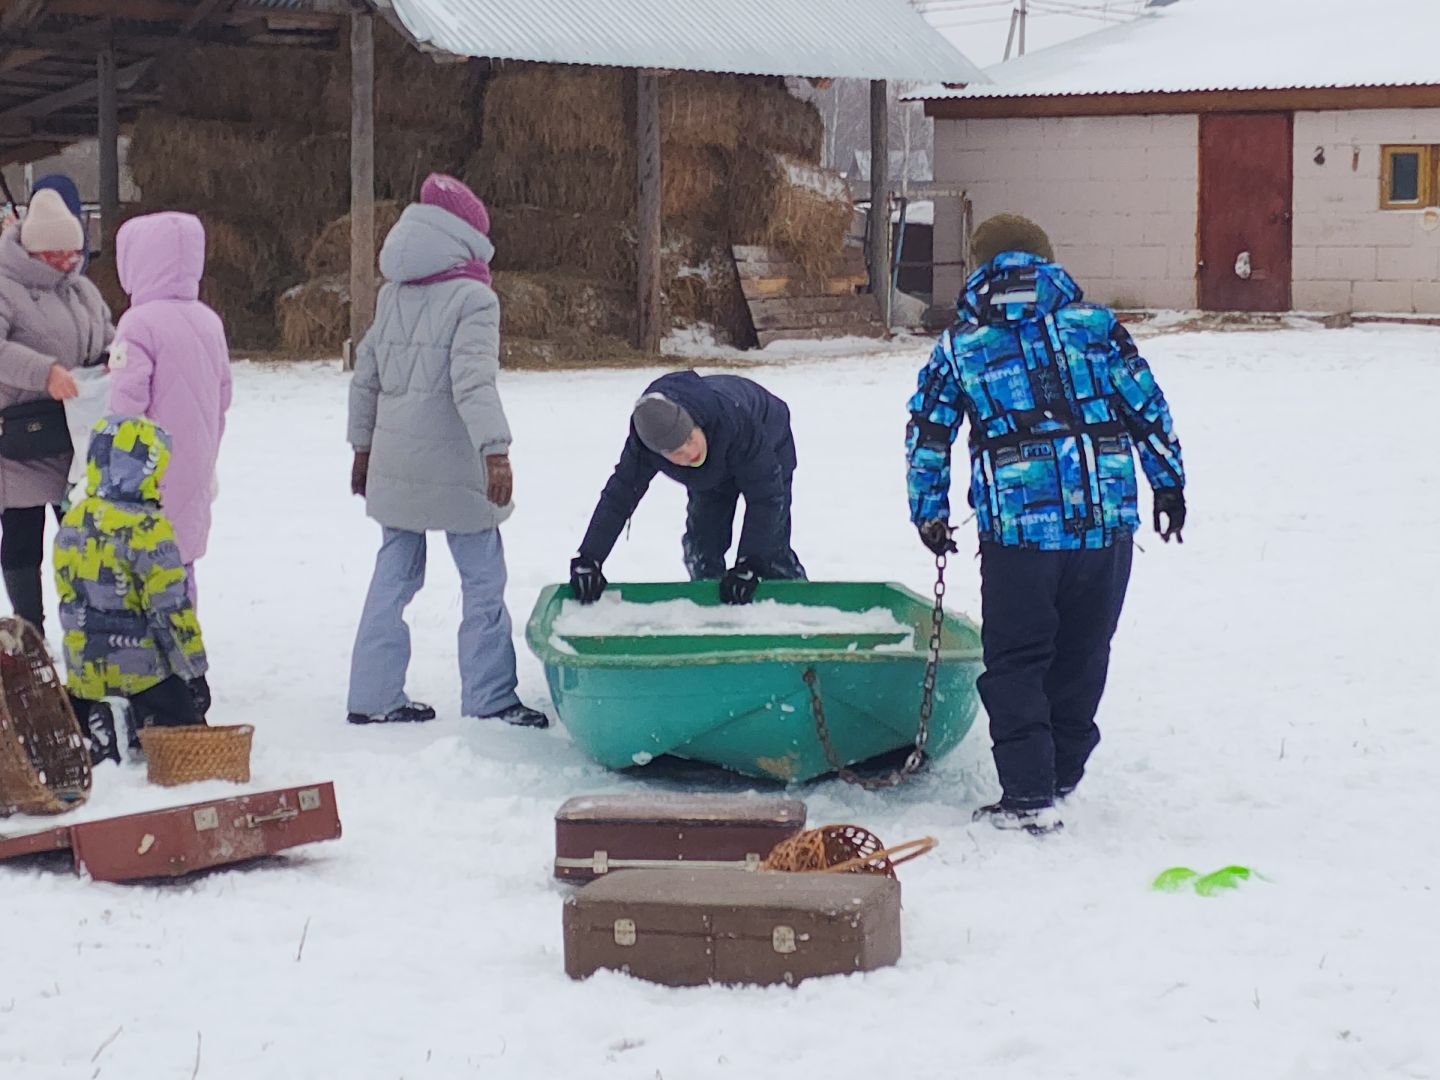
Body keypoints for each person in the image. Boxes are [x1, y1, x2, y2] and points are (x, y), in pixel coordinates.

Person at [906, 213, 1185, 836]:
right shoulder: (1097, 327)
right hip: (1105, 523)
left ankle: (1030, 791)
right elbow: (1147, 406)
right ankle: (1059, 772)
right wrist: (1168, 484)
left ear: (981, 268)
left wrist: (929, 511)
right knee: (1084, 653)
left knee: (1018, 660)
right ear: (1045, 259)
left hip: (1020, 535)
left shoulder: (961, 345)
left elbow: (929, 432)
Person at [347, 173, 546, 729]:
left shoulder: (392, 294)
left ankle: (372, 695)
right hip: (455, 464)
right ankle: (490, 696)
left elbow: (366, 378)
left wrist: (362, 448)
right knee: (483, 581)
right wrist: (496, 451)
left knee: (393, 576)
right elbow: (473, 383)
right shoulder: (474, 299)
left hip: (395, 459)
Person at [569, 372, 806, 607]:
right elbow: (618, 497)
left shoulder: (732, 420)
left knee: (770, 549)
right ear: (659, 453)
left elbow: (766, 498)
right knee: (703, 546)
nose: (689, 452)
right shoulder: (645, 444)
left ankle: (799, 608)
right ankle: (712, 612)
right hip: (711, 470)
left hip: (766, 441)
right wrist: (590, 558)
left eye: (689, 439)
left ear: (696, 422)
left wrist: (750, 564)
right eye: (677, 453)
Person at [54, 416, 208, 765]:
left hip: (85, 669)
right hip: (140, 671)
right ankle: (127, 720)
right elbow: (169, 610)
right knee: (188, 729)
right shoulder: (148, 529)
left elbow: (67, 593)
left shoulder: (74, 520)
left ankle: (93, 715)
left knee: (94, 689)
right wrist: (194, 671)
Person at [0, 187, 112, 635]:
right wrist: (44, 372)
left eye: (73, 252)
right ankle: (31, 633)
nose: (69, 262)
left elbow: (107, 332)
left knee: (83, 535)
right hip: (21, 437)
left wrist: (113, 358)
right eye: (56, 255)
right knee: (24, 537)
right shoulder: (5, 287)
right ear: (33, 251)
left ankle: (91, 625)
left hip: (76, 433)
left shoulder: (81, 289)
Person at [108, 211, 232, 600]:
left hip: (148, 469)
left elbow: (126, 407)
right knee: (181, 557)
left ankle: (147, 652)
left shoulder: (137, 324)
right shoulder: (210, 322)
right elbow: (224, 393)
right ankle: (183, 642)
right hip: (195, 458)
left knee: (143, 561)